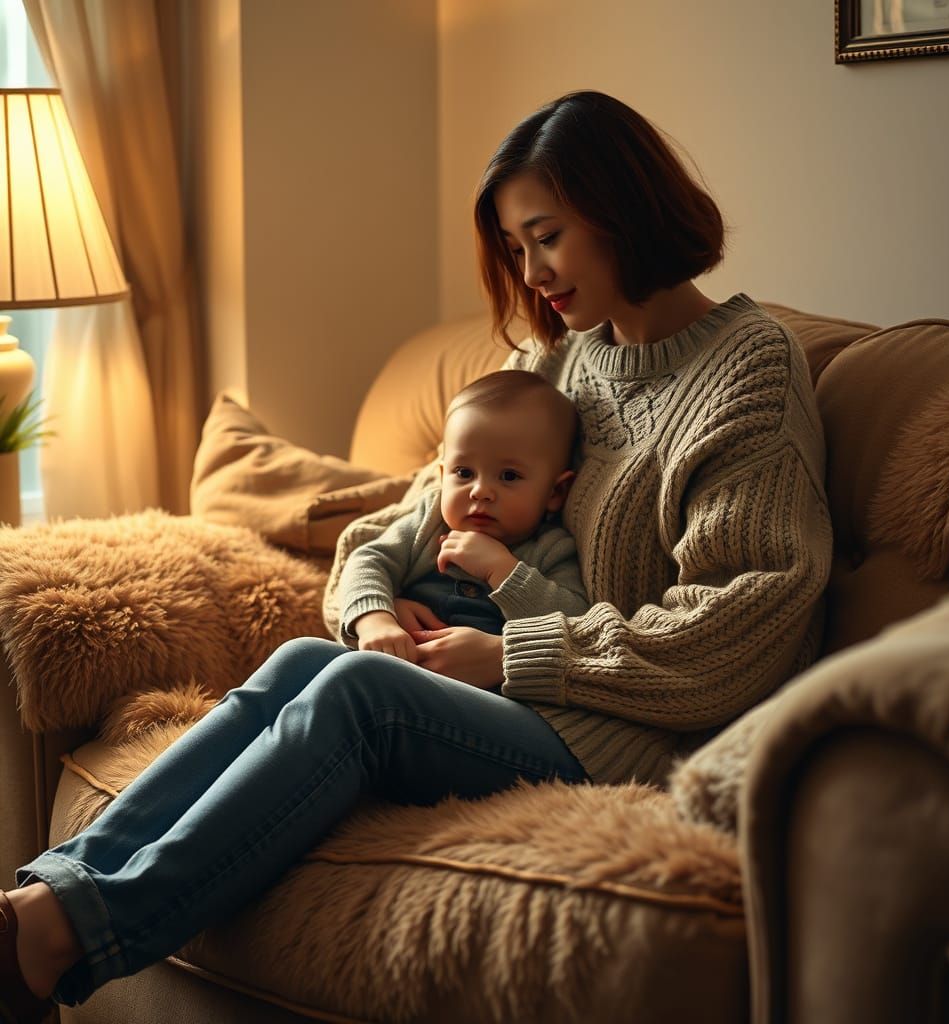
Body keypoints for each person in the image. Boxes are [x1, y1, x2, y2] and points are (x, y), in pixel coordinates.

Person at [0, 89, 832, 1020]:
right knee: (311, 660)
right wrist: (373, 613)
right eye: (518, 248)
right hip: (522, 695)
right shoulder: (561, 361)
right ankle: (41, 899)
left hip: (641, 731)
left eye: (546, 236)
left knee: (359, 699)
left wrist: (514, 654)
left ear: (622, 208)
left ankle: (60, 939)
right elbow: (392, 528)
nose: (533, 272)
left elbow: (742, 626)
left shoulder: (748, 366)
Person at [340, 368, 588, 662]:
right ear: (443, 475)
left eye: (509, 476)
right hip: (402, 663)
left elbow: (575, 622)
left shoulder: (550, 549)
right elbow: (367, 560)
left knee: (346, 676)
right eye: (464, 473)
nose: (480, 491)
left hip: (476, 692)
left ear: (555, 493)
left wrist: (504, 571)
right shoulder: (430, 521)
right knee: (298, 653)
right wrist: (377, 619)